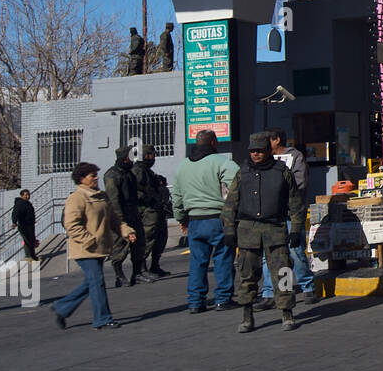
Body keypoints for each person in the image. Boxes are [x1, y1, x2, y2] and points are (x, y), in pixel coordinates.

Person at [222, 132, 307, 333]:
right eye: (253, 151)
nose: (256, 154)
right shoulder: (242, 173)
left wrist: (295, 229)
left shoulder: (281, 172)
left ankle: (287, 313)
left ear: (268, 151)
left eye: (260, 151)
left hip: (275, 229)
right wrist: (229, 231)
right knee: (247, 275)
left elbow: (295, 203)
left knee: (283, 273)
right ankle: (247, 315)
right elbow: (229, 205)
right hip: (248, 231)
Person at [52, 162, 136, 330]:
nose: (96, 178)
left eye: (96, 174)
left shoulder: (101, 196)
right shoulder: (77, 198)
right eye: (92, 175)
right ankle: (102, 319)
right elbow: (71, 225)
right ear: (82, 179)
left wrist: (126, 231)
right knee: (97, 281)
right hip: (85, 249)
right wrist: (89, 240)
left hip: (99, 248)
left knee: (91, 282)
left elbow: (114, 219)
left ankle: (62, 307)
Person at [171, 129, 240, 313]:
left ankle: (195, 302)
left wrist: (181, 218)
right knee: (223, 258)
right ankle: (223, 299)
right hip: (218, 219)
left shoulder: (183, 166)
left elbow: (176, 196)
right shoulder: (222, 162)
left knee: (197, 262)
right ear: (213, 143)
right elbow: (238, 183)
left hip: (195, 221)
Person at [258, 126, 319, 307]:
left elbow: (299, 183)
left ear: (276, 140)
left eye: (267, 140)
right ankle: (270, 293)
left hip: (291, 212)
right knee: (268, 254)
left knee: (295, 251)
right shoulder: (265, 159)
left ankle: (308, 288)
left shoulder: (295, 157)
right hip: (270, 214)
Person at [104, 146, 153, 287]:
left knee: (139, 244)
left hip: (134, 213)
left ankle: (136, 274)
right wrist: (119, 221)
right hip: (121, 217)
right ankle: (119, 276)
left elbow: (137, 191)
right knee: (120, 248)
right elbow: (113, 199)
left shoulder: (129, 174)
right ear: (124, 158)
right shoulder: (112, 175)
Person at [131, 147, 169, 277]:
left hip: (156, 210)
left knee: (160, 239)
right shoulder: (138, 170)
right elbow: (135, 190)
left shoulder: (147, 171)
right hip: (146, 212)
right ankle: (141, 269)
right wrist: (148, 197)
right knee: (148, 239)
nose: (153, 158)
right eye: (150, 155)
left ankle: (154, 266)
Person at [11, 188, 39, 262]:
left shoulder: (28, 203)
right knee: (28, 241)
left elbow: (29, 214)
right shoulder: (20, 203)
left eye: (28, 195)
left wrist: (33, 220)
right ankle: (29, 256)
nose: (27, 196)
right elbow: (15, 213)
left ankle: (33, 256)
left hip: (30, 225)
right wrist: (14, 222)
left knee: (31, 240)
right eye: (26, 195)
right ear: (22, 196)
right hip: (24, 226)